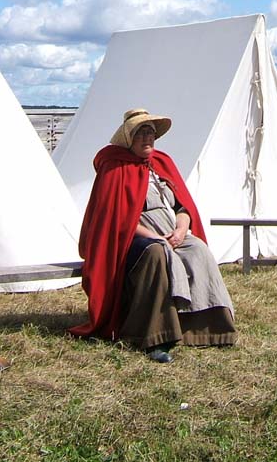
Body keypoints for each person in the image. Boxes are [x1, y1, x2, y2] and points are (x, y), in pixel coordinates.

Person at [69, 108, 236, 363]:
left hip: (172, 231)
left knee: (198, 250)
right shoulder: (114, 167)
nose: (147, 138)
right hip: (132, 239)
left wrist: (181, 230)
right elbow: (116, 219)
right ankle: (156, 337)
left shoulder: (161, 163)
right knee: (157, 253)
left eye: (150, 133)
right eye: (140, 133)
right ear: (129, 138)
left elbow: (182, 206)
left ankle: (207, 329)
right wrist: (154, 237)